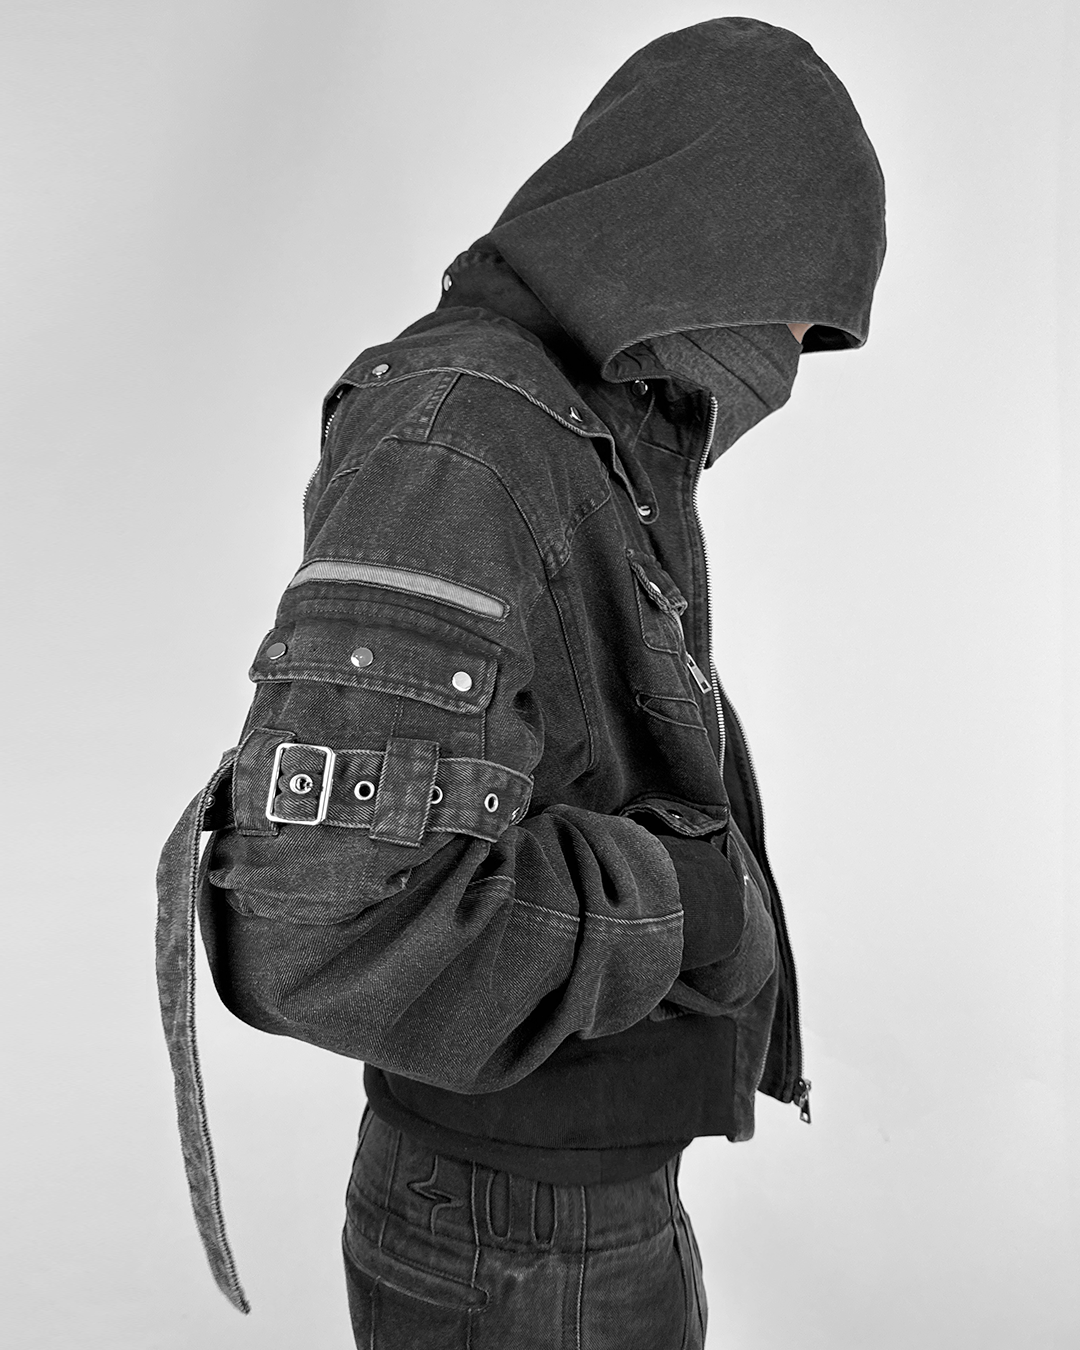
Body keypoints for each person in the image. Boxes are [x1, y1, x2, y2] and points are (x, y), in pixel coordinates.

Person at [155, 15, 885, 1348]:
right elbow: (316, 928)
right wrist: (682, 903)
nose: (787, 349)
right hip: (520, 1244)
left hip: (571, 1214)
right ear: (703, 219)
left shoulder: (563, 426)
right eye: (792, 298)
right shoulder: (462, 441)